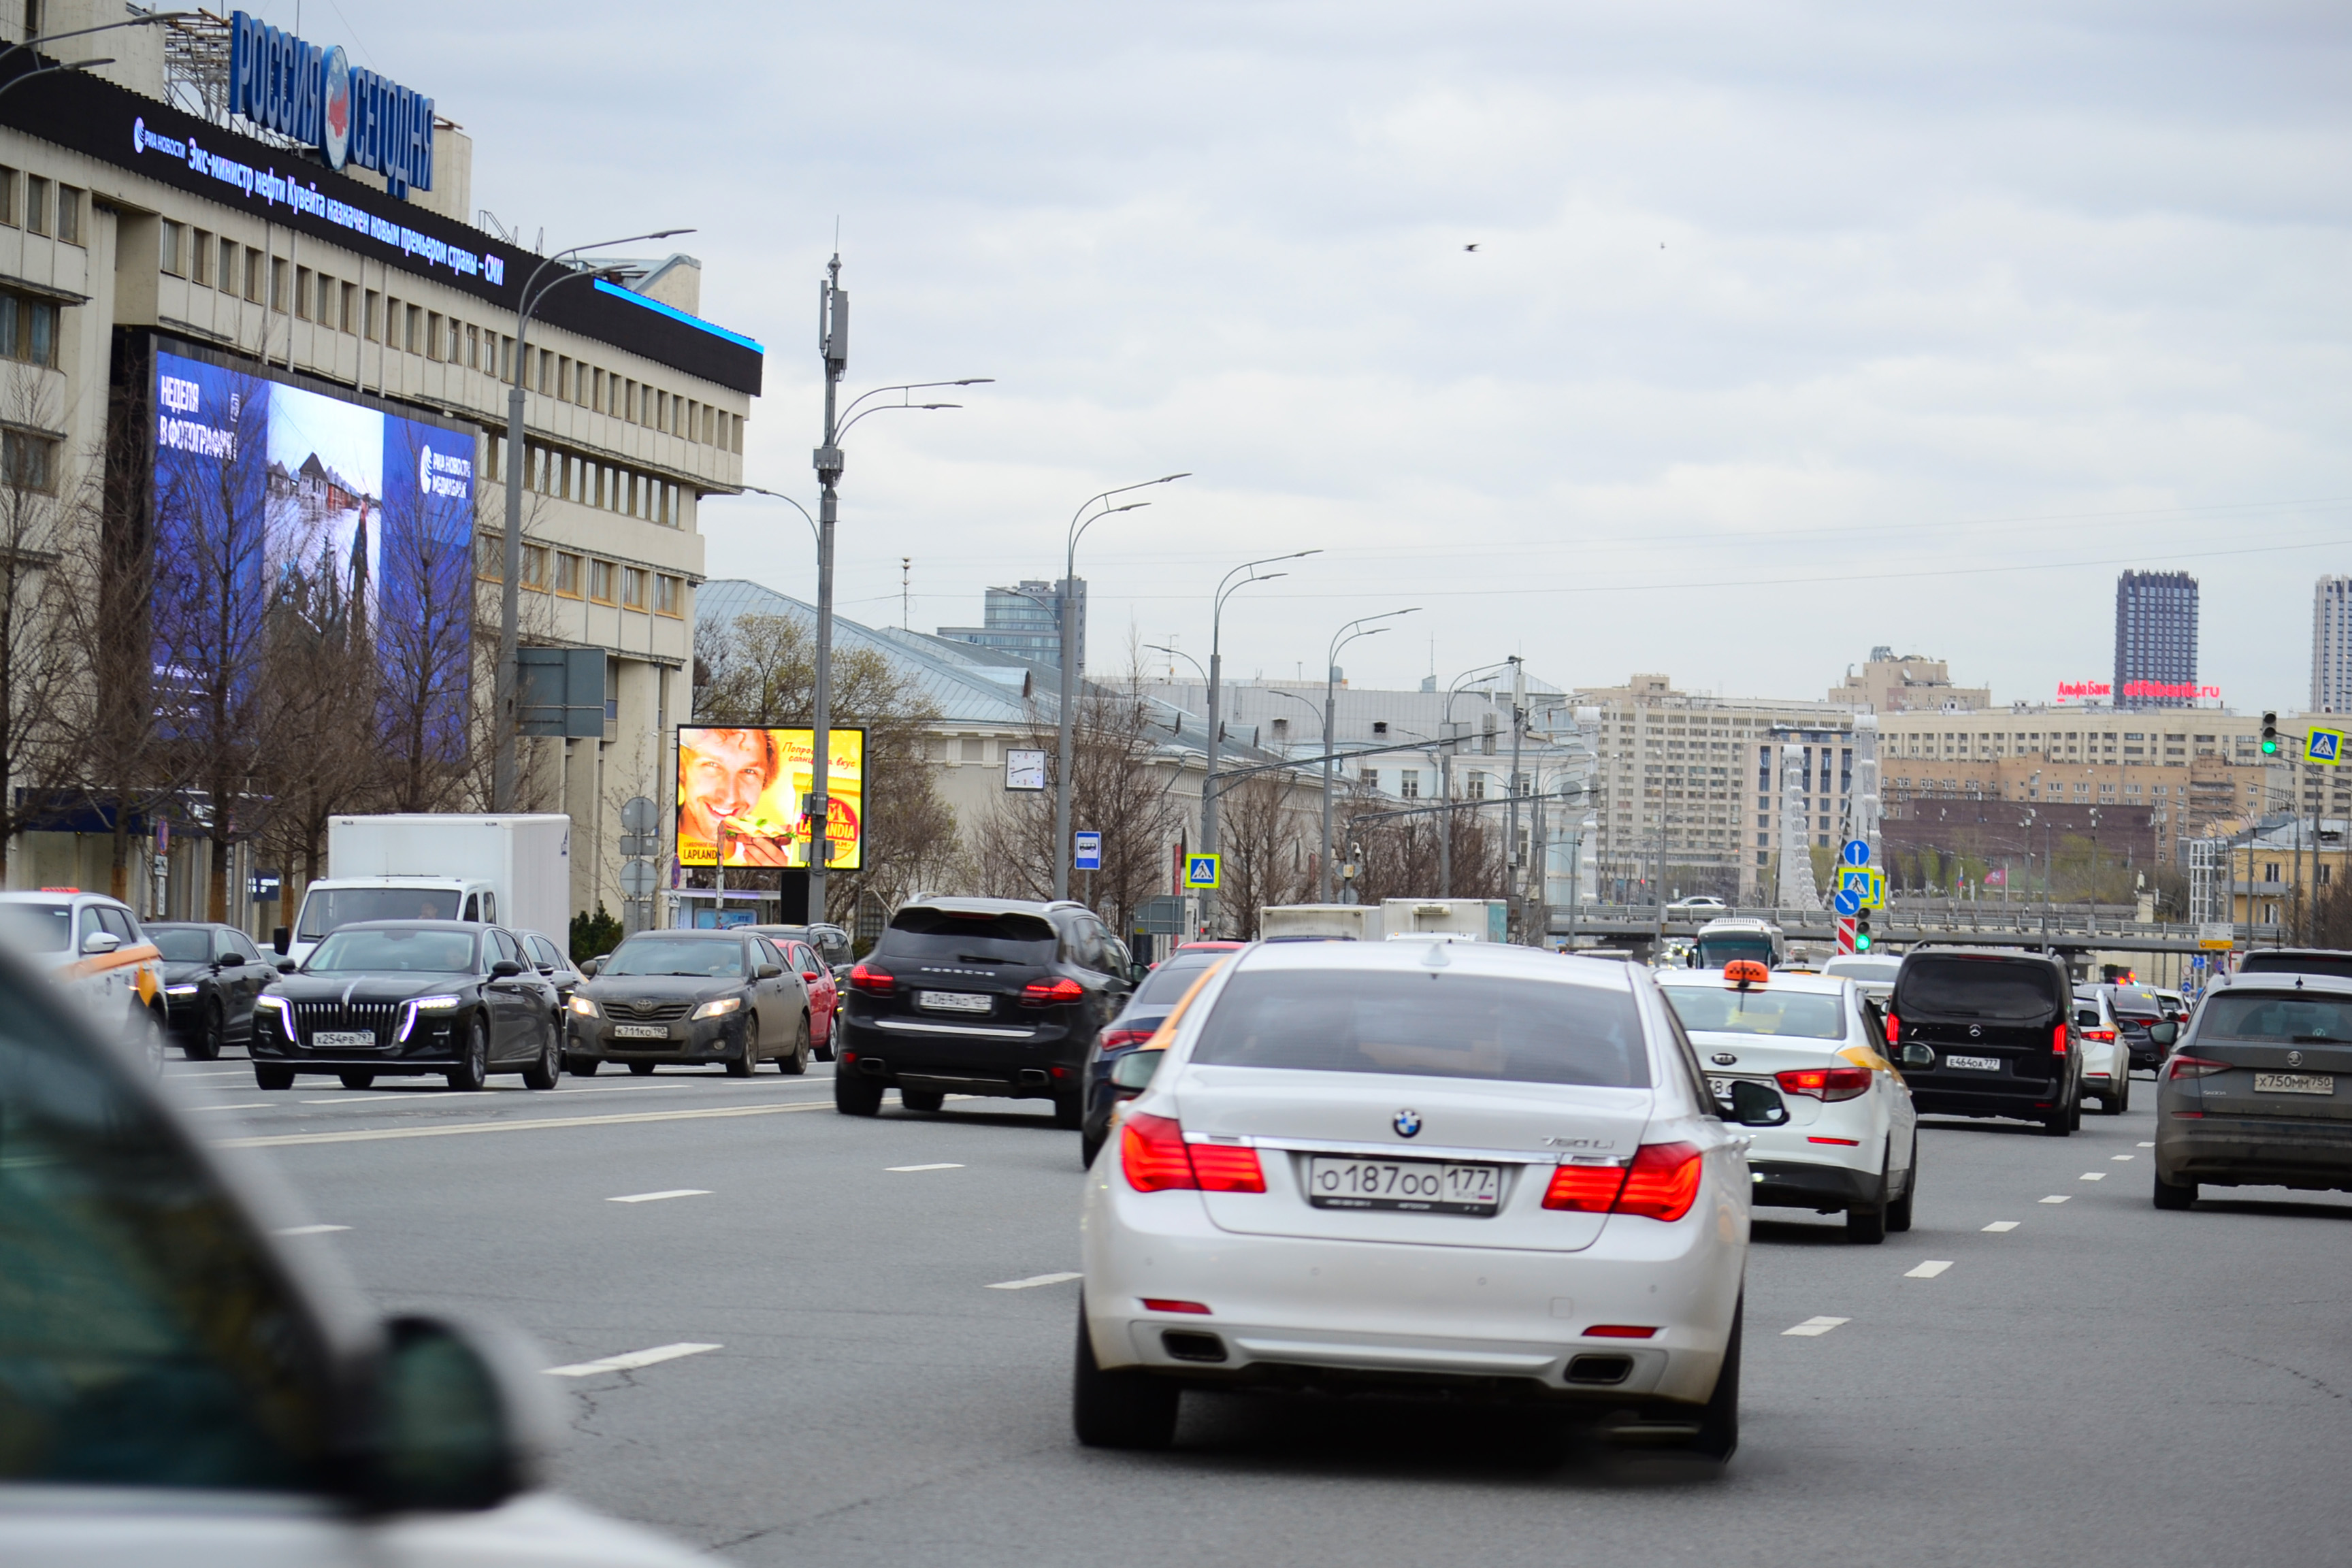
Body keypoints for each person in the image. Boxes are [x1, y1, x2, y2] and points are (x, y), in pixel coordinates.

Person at [679, 728, 796, 867]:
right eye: (712, 765)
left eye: (749, 771)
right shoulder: (659, 842)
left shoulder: (775, 856)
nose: (731, 798)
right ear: (682, 768)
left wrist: (784, 875)